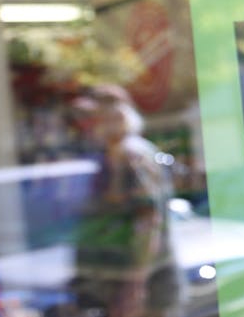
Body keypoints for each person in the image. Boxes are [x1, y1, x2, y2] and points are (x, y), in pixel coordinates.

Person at [70, 84, 184, 317]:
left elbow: (148, 221)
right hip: (123, 288)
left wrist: (135, 284)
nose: (88, 126)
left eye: (95, 117)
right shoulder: (114, 155)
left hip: (144, 292)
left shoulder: (130, 155)